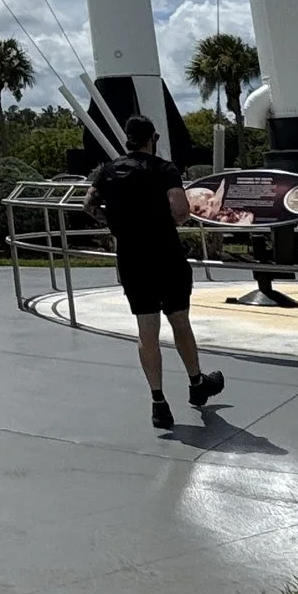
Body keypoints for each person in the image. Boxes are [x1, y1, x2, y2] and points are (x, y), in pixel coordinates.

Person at [86, 116, 223, 428]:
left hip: (132, 258)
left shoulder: (108, 171)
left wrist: (116, 226)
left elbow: (89, 204)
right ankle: (196, 383)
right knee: (179, 320)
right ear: (153, 138)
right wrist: (170, 222)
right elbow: (180, 209)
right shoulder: (165, 169)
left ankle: (159, 403)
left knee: (147, 330)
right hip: (165, 255)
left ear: (127, 139)